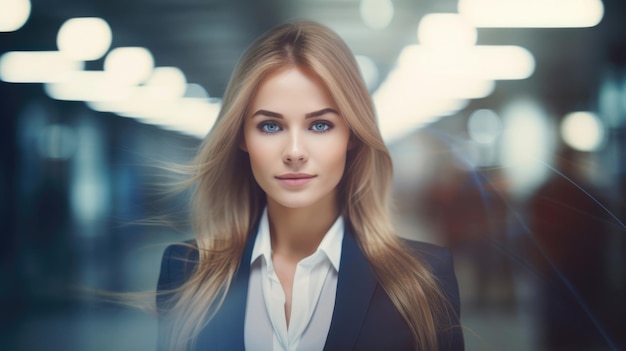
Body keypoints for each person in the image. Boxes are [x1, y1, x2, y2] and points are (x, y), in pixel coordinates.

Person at [156, 20, 463, 351]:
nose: (294, 152)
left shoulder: (422, 278)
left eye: (320, 125)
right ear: (242, 137)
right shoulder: (187, 272)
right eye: (270, 126)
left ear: (353, 136)